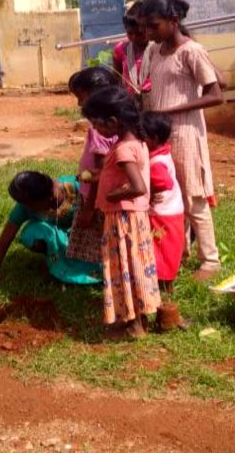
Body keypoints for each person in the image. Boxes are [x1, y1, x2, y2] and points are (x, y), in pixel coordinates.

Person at [139, 0, 225, 283]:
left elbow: (216, 95)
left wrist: (170, 110)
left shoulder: (192, 52)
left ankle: (210, 260)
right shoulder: (154, 51)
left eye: (154, 26)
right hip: (159, 137)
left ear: (173, 22)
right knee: (169, 195)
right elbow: (148, 88)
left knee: (193, 195)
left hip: (186, 133)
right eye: (146, 28)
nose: (148, 33)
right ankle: (180, 251)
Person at [82, 86, 161, 339]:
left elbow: (138, 187)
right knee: (137, 266)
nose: (95, 129)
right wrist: (99, 176)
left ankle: (134, 325)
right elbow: (120, 175)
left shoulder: (124, 149)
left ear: (113, 121)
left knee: (125, 268)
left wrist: (110, 196)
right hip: (132, 217)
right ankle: (139, 319)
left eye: (97, 124)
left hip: (122, 218)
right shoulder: (134, 143)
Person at [0, 171, 101, 315]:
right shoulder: (25, 206)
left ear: (49, 197)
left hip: (86, 236)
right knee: (33, 232)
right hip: (55, 236)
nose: (26, 207)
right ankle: (55, 260)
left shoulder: (76, 188)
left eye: (30, 204)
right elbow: (1, 246)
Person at [65, 67, 120, 265]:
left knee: (98, 241)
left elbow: (100, 174)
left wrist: (89, 208)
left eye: (82, 97)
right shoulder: (116, 124)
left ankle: (101, 273)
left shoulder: (100, 130)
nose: (79, 103)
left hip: (96, 199)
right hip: (106, 196)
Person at [141, 112, 188, 331]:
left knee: (160, 251)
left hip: (162, 213)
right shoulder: (163, 153)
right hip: (172, 210)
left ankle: (163, 290)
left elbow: (164, 183)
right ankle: (167, 288)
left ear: (152, 138)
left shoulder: (156, 162)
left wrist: (148, 191)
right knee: (166, 251)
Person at [111, 2, 152, 98]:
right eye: (130, 33)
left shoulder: (158, 49)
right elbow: (117, 76)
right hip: (129, 101)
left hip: (154, 100)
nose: (134, 37)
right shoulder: (120, 49)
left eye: (139, 34)